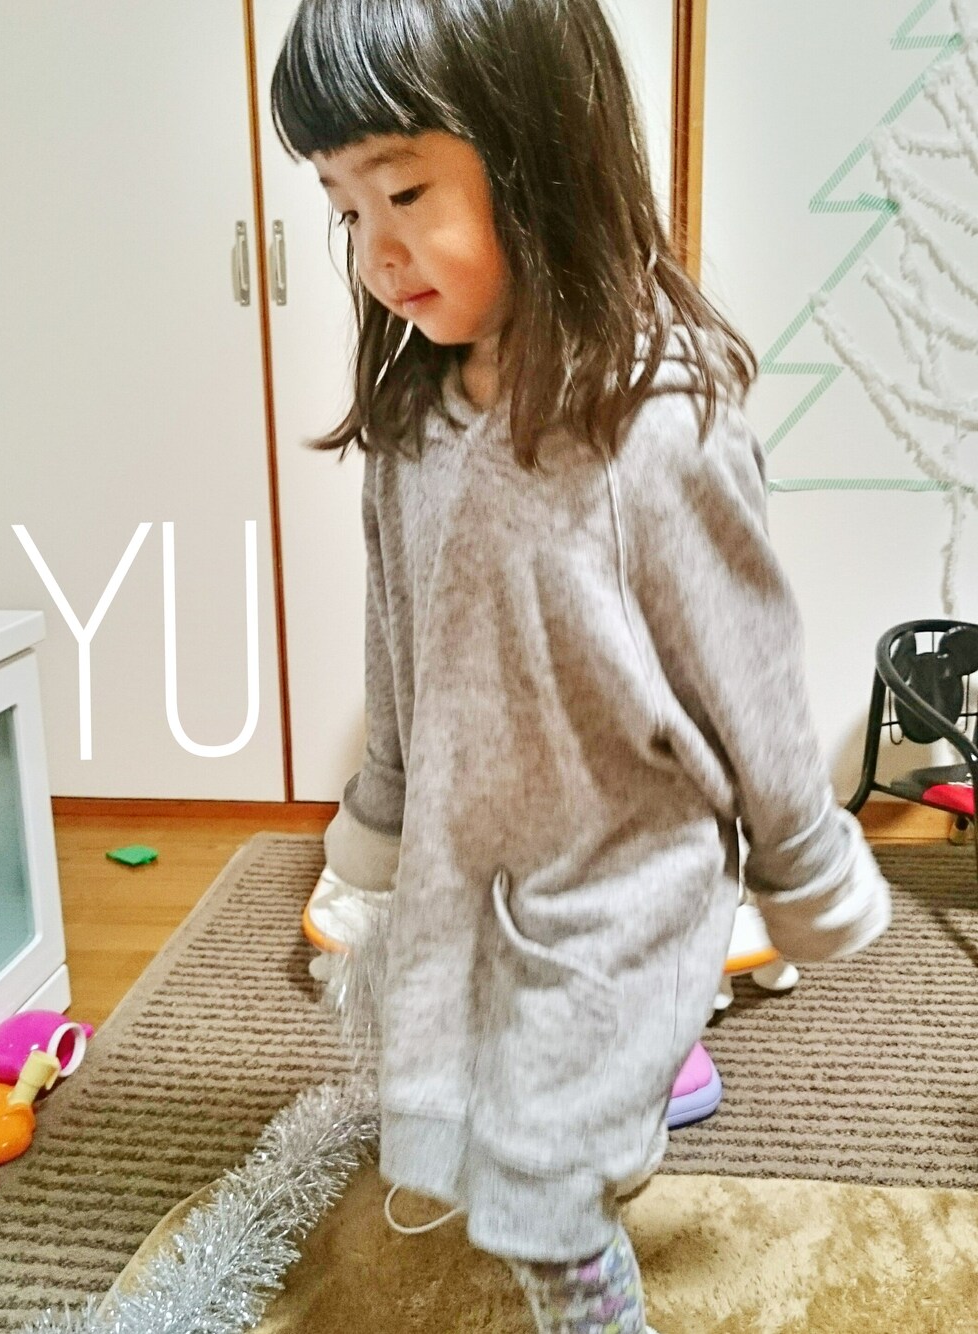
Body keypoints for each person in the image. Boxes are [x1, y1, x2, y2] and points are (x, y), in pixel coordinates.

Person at [270, 0, 893, 1328]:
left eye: (406, 192)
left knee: (545, 1192)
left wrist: (802, 858)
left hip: (629, 870)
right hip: (474, 858)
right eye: (344, 208)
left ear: (539, 151)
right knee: (455, 1090)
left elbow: (749, 666)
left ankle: (596, 1289)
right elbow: (397, 642)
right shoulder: (414, 425)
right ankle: (630, 1085)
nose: (377, 251)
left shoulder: (654, 425)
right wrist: (378, 822)